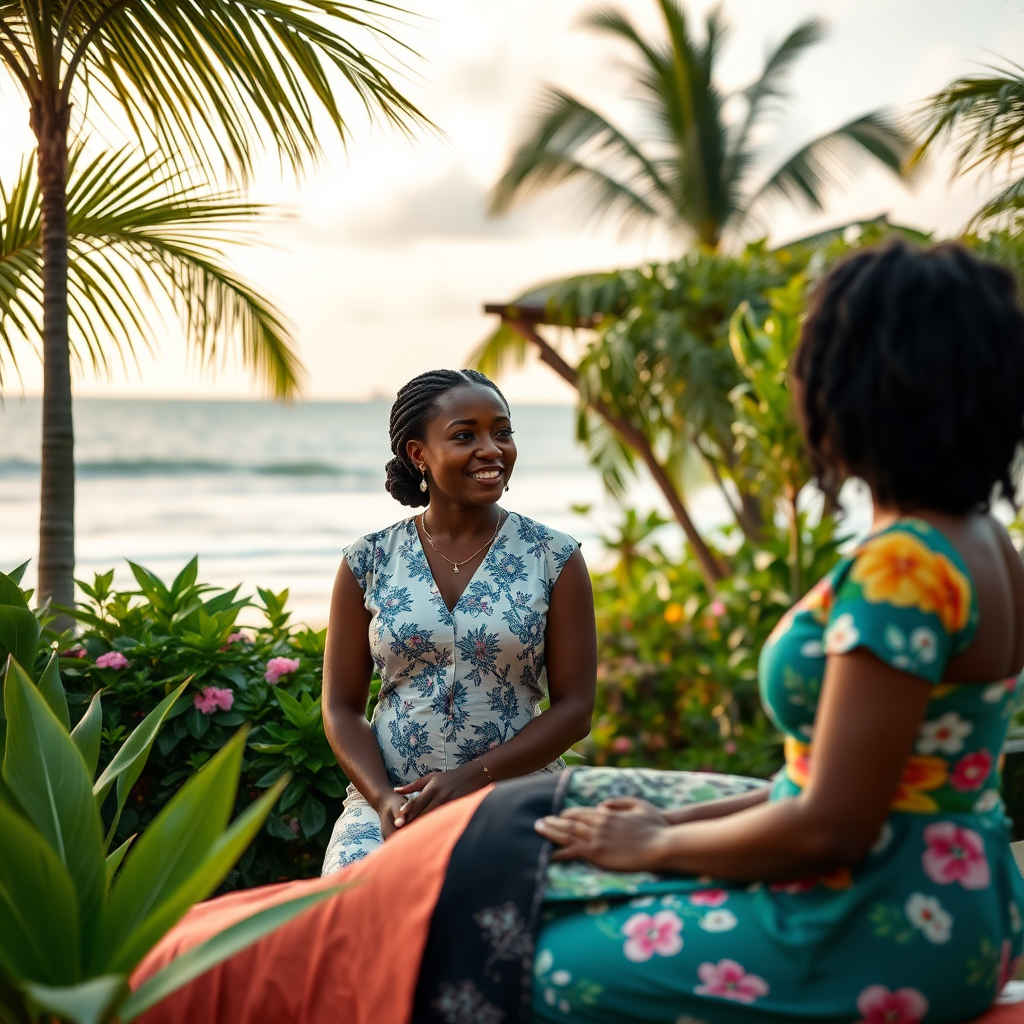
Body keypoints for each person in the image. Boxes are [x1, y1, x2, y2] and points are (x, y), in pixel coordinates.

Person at [131, 241, 1024, 1024]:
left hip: (882, 920)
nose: (795, 385)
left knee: (489, 960)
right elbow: (845, 786)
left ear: (867, 386)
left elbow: (830, 823)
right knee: (536, 852)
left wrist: (659, 844)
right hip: (952, 895)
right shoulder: (982, 542)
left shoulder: (905, 566)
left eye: (810, 364)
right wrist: (671, 820)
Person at [319, 368, 597, 873]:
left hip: (514, 797)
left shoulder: (554, 558)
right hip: (390, 805)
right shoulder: (368, 560)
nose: (492, 449)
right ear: (417, 453)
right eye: (465, 435)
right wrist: (383, 800)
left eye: (503, 432)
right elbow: (341, 708)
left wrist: (476, 775)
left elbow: (576, 709)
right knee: (352, 906)